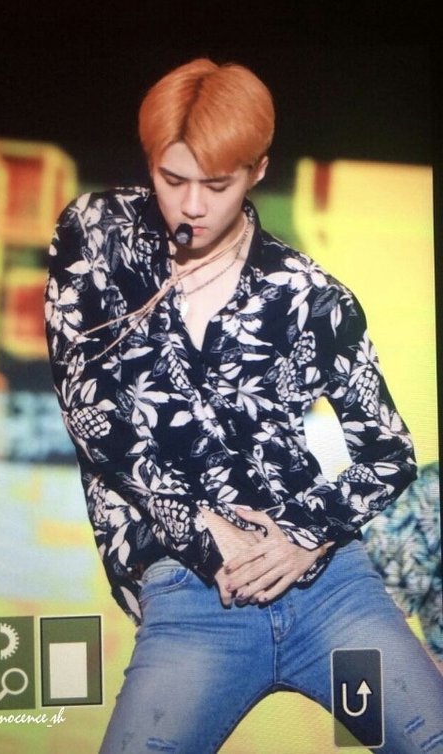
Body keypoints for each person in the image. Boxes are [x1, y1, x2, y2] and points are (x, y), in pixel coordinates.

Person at [45, 58, 443, 754]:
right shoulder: (98, 234)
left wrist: (302, 535)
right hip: (190, 593)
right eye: (173, 179)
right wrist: (203, 526)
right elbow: (91, 409)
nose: (191, 206)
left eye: (217, 184)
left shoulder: (310, 293)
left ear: (257, 170)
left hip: (329, 589)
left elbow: (389, 450)